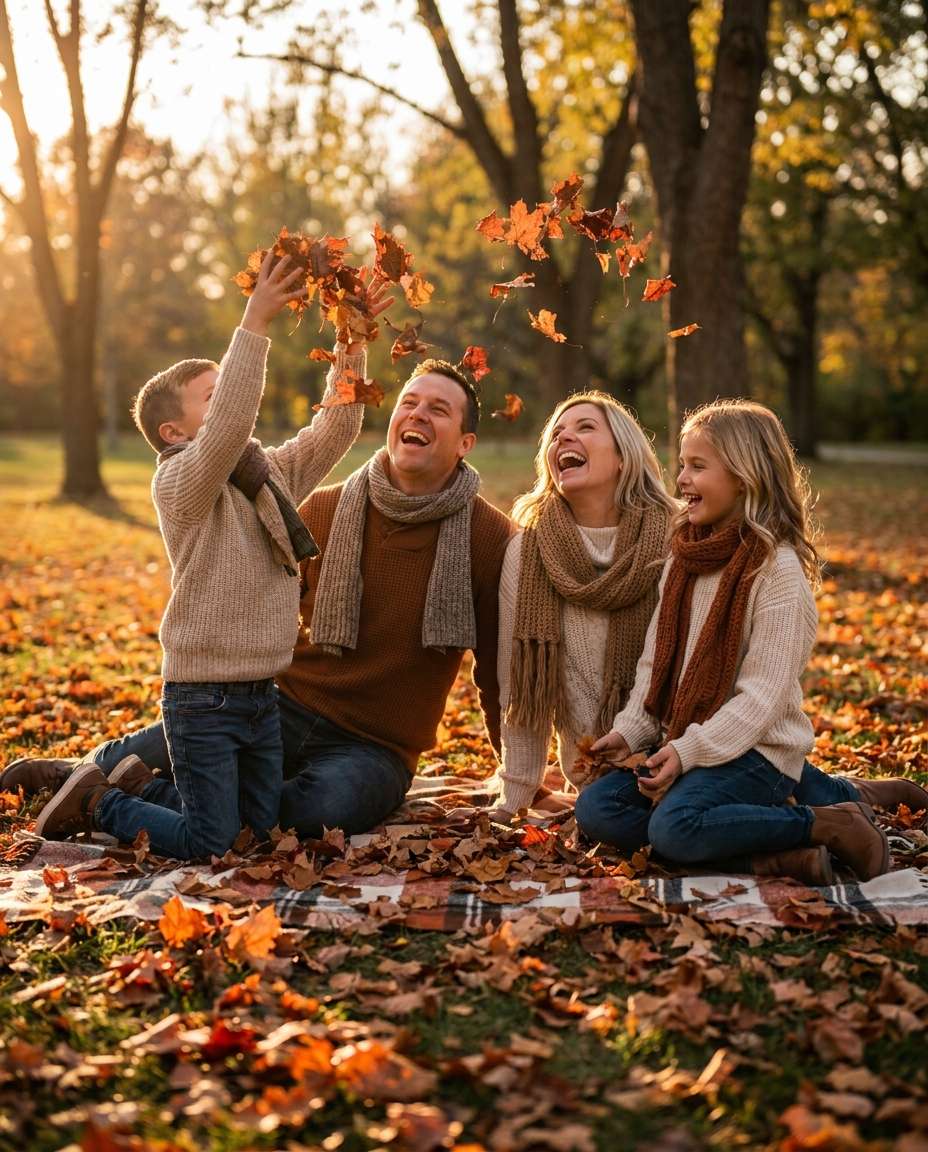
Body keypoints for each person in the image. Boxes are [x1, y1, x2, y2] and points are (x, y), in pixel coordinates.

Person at [13, 356, 511, 844]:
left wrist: (511, 773)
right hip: (275, 705)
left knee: (313, 813)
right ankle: (80, 776)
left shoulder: (489, 537)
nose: (418, 414)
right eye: (409, 402)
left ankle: (133, 791)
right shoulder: (326, 507)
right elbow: (256, 597)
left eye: (439, 409)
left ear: (466, 443)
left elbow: (499, 667)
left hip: (374, 748)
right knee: (145, 749)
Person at [32, 251, 389, 858]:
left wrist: (350, 342)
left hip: (261, 694)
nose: (229, 404)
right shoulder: (180, 483)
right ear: (175, 431)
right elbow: (227, 430)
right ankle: (101, 801)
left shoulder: (264, 475)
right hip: (202, 696)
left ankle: (135, 783)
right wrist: (254, 323)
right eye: (212, 396)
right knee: (212, 844)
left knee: (255, 837)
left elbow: (335, 432)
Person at [576, 399, 928, 885]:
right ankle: (788, 841)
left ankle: (827, 821)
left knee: (675, 829)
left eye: (698, 467)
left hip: (760, 752)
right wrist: (631, 731)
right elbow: (656, 662)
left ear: (744, 478)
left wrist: (685, 754)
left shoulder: (776, 573)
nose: (680, 480)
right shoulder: (684, 558)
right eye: (682, 464)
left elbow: (759, 702)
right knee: (597, 810)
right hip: (690, 740)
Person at [489, 391, 675, 822]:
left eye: (585, 427)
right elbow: (518, 685)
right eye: (556, 434)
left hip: (678, 749)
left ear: (624, 457)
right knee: (603, 816)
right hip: (594, 775)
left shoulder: (673, 539)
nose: (563, 438)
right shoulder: (527, 551)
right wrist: (517, 795)